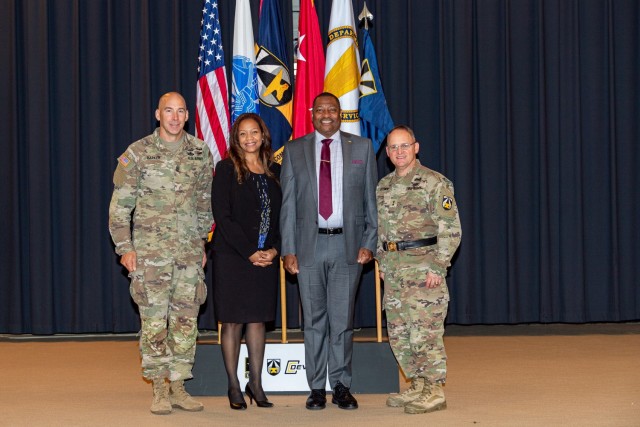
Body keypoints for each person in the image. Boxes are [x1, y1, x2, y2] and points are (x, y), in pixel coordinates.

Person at [108, 92, 212, 415]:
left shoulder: (200, 152)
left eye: (181, 111)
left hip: (189, 255)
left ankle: (179, 385)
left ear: (186, 116)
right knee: (154, 321)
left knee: (185, 321)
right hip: (150, 257)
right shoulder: (137, 154)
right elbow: (119, 207)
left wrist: (202, 244)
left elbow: (204, 204)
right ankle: (159, 388)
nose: (175, 117)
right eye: (169, 110)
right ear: (157, 114)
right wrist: (125, 249)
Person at [280, 92, 378, 410]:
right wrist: (288, 249)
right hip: (308, 246)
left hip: (347, 247)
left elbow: (370, 203)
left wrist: (369, 242)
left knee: (342, 320)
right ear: (312, 114)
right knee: (314, 322)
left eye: (332, 109)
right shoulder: (294, 150)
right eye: (320, 109)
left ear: (340, 114)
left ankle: (340, 385)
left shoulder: (361, 148)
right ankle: (316, 388)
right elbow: (288, 205)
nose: (326, 114)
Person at [376, 125, 462, 415]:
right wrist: (382, 263)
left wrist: (440, 265)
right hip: (395, 273)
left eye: (404, 146)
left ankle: (435, 390)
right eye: (393, 147)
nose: (399, 152)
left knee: (425, 332)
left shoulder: (434, 182)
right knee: (400, 333)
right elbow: (381, 231)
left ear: (416, 147)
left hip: (424, 270)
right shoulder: (383, 185)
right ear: (387, 153)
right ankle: (418, 384)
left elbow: (450, 229)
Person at [211, 113, 282, 410]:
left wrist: (275, 249)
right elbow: (222, 216)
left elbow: (284, 216)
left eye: (254, 132)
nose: (249, 138)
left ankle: (256, 383)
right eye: (243, 134)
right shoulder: (226, 168)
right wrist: (249, 251)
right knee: (232, 322)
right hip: (233, 257)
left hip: (266, 258)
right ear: (236, 139)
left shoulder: (276, 170)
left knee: (257, 320)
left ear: (263, 136)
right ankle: (233, 385)